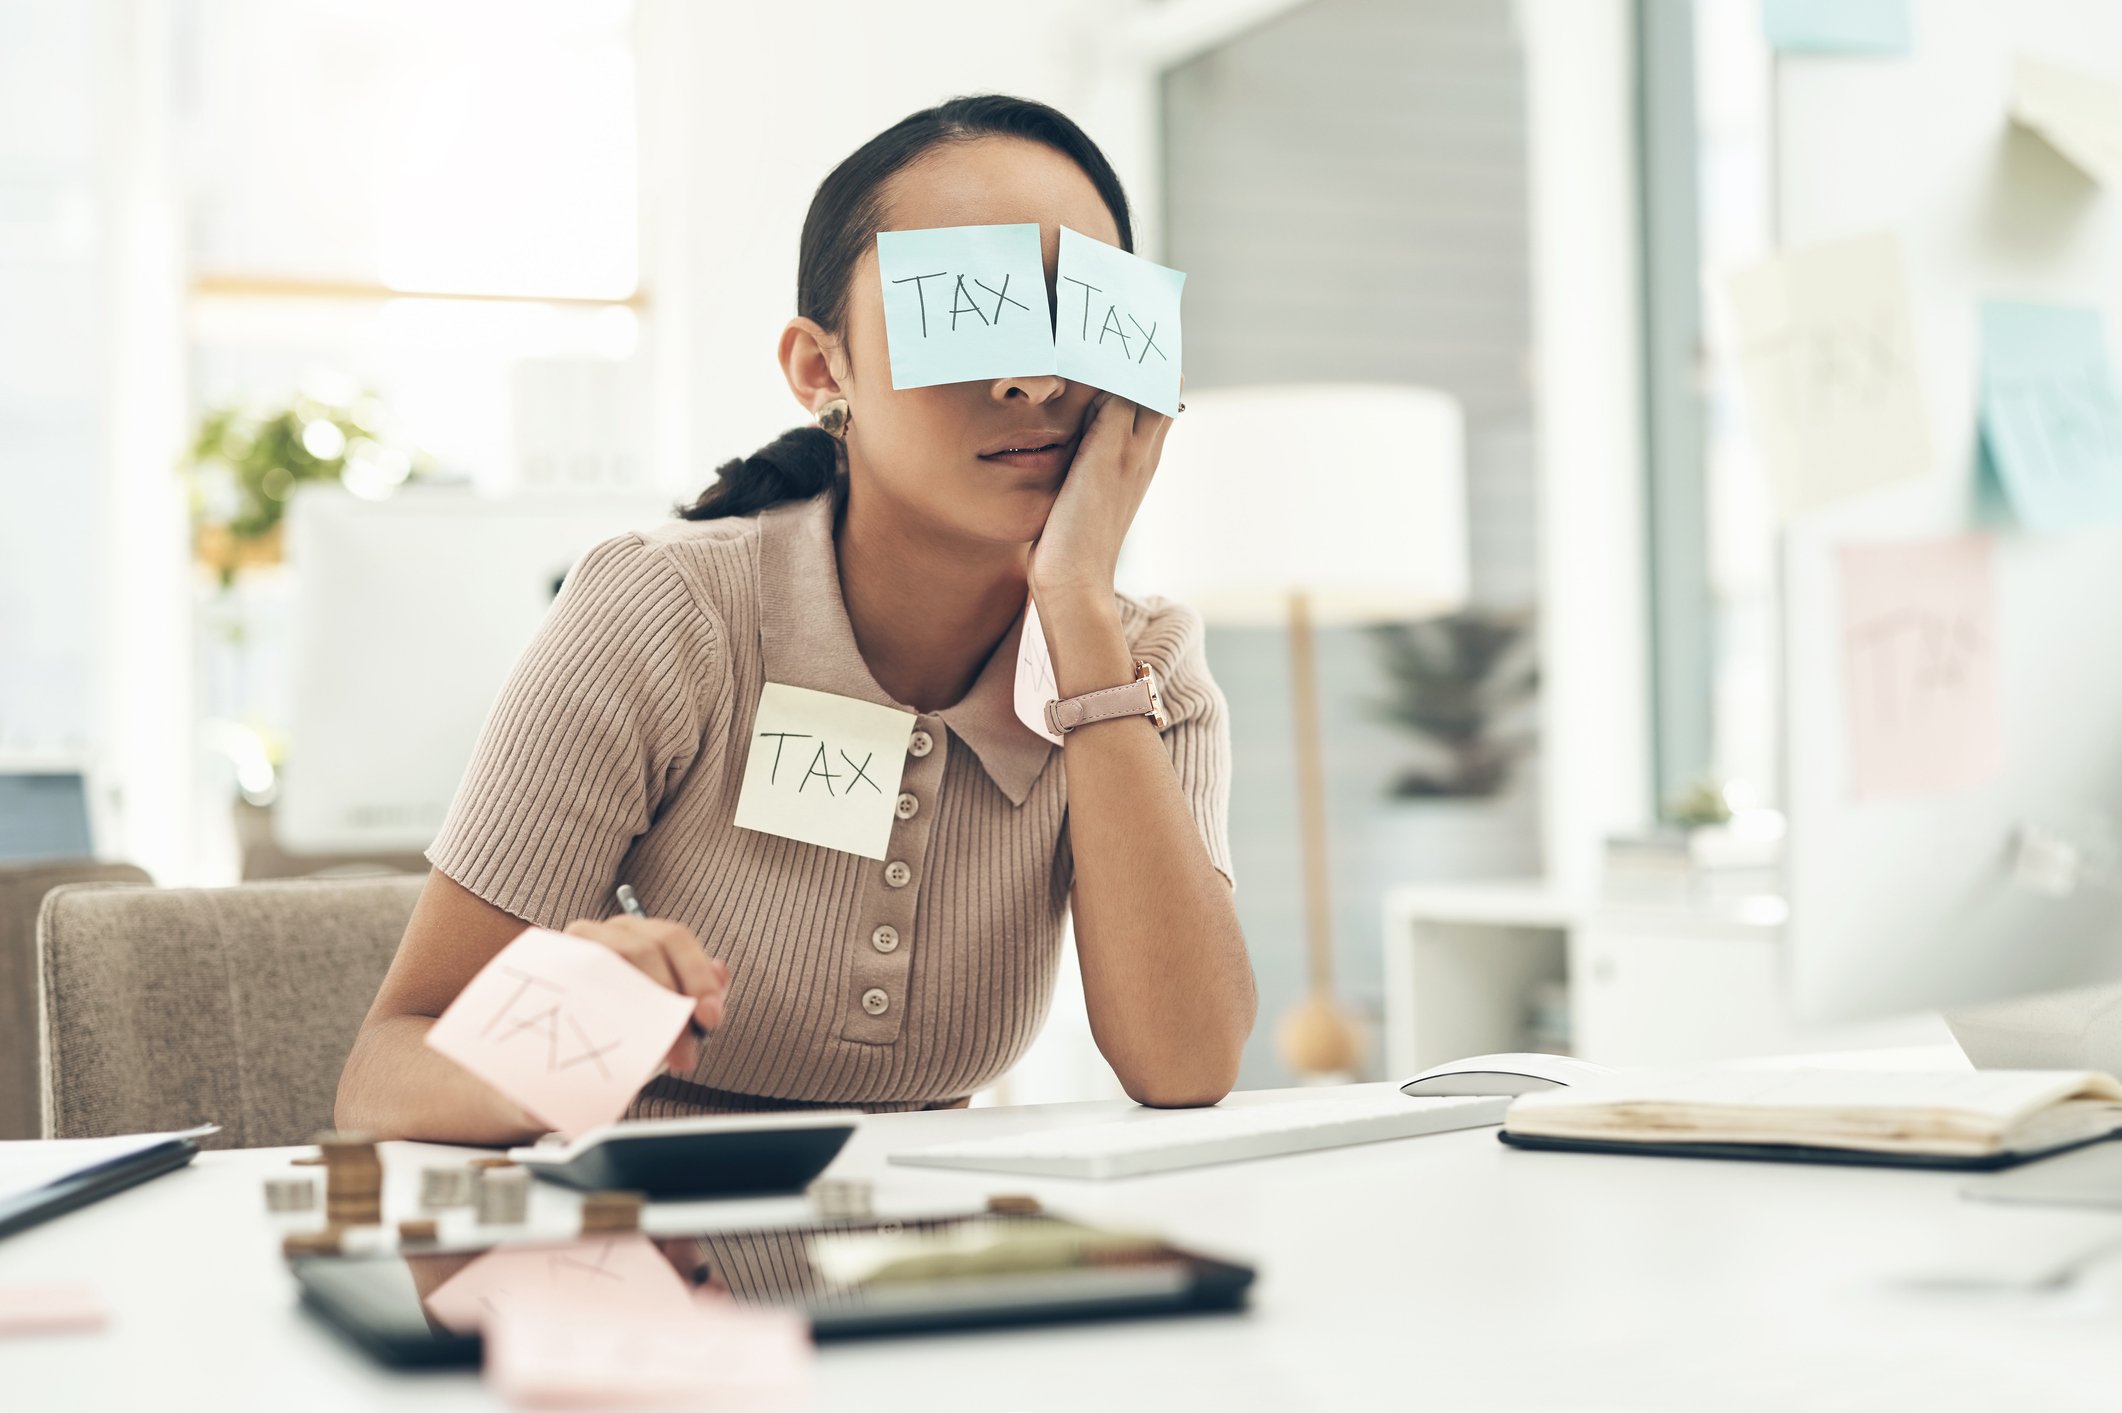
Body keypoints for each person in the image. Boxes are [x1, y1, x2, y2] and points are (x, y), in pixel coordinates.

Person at [336, 94, 1253, 1142]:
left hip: (923, 1263)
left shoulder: (1144, 666)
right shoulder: (663, 612)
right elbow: (385, 1071)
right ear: (824, 371)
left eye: (1077, 310)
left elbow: (1184, 1066)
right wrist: (568, 1029)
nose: (1034, 376)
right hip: (638, 1247)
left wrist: (1080, 607)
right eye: (968, 307)